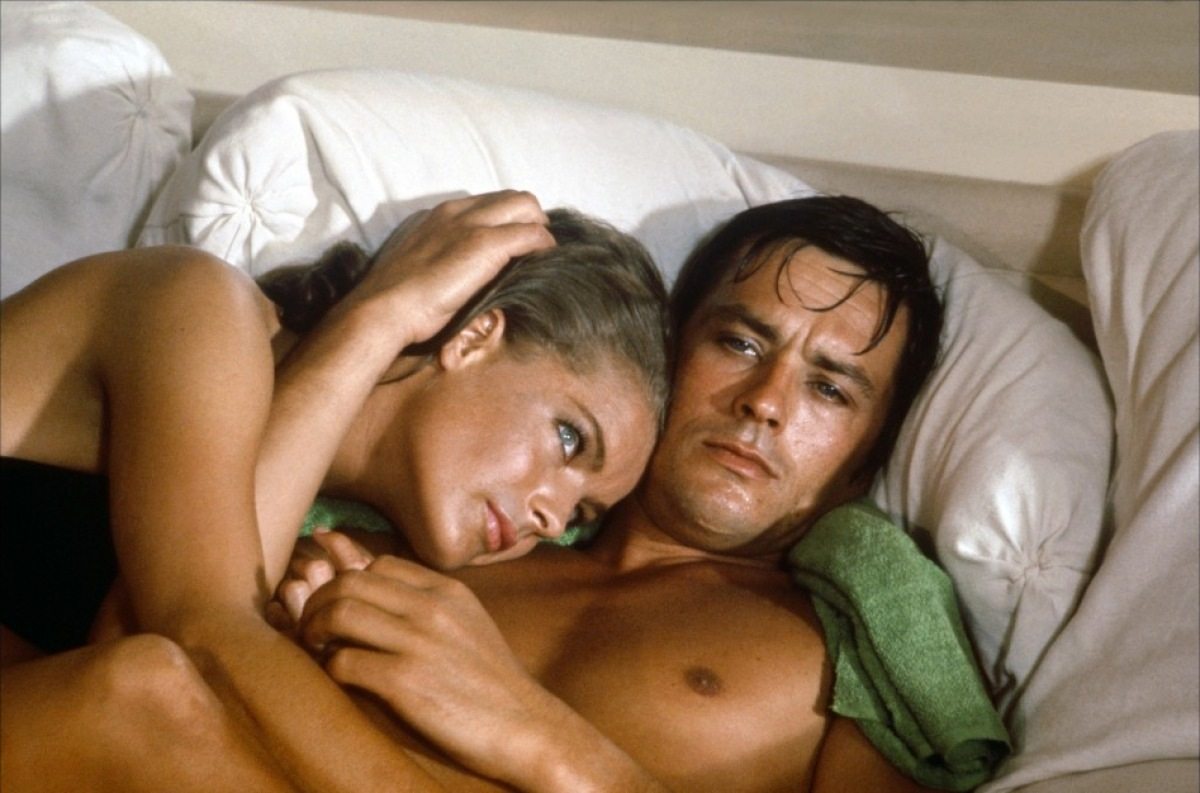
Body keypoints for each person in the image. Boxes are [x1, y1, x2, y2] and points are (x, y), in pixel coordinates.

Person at [273, 194, 947, 792]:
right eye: (739, 343)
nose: (766, 402)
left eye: (829, 389)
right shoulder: (449, 526)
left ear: (865, 464)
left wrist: (541, 739)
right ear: (670, 355)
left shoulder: (844, 658)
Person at [0, 191, 670, 792]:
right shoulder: (201, 308)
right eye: (571, 439)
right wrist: (378, 318)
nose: (553, 517)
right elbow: (194, 636)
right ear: (473, 338)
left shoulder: (325, 558)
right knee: (154, 689)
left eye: (581, 513)